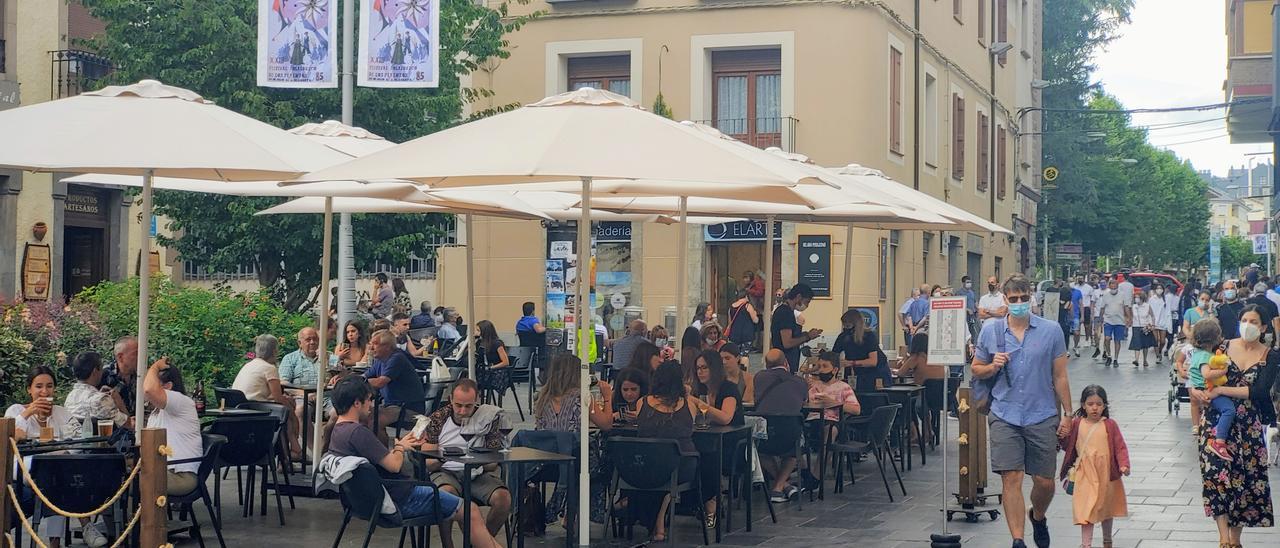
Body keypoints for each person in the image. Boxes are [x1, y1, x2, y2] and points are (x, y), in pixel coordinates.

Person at [324, 377, 500, 548]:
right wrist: (400, 448)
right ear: (357, 403)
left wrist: (402, 445)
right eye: (369, 400)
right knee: (470, 511)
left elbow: (383, 460)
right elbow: (394, 465)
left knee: (461, 507)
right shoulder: (358, 433)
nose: (371, 405)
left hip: (362, 504)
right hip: (401, 500)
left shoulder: (338, 433)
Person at [971, 275, 1073, 548]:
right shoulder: (991, 330)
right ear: (1004, 300)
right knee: (1011, 477)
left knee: (1044, 481)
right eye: (1013, 299)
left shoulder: (1051, 331)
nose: (1018, 303)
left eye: (1023, 298)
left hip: (1042, 414)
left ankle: (1037, 516)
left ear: (1030, 297)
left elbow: (1060, 376)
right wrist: (993, 366)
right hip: (1005, 413)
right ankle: (1018, 540)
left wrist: (1068, 414)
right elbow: (976, 368)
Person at [1188, 304, 1277, 548]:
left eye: (1254, 321)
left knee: (1245, 481)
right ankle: (1223, 538)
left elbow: (1258, 392)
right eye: (1245, 319)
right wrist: (1197, 392)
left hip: (1248, 425)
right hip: (1216, 423)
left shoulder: (1271, 355)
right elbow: (1196, 372)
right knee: (1216, 476)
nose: (1248, 324)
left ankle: (1235, 540)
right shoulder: (1222, 346)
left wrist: (1220, 390)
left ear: (1264, 327)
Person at [5, 366, 101, 548]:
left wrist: (62, 453)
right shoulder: (16, 410)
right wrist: (28, 413)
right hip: (24, 468)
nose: (44, 391)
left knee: (57, 475)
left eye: (49, 386)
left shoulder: (61, 413)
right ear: (29, 389)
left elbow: (79, 442)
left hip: (54, 470)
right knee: (56, 472)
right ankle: (83, 526)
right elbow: (14, 437)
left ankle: (57, 541)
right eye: (39, 386)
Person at [417, 379, 512, 538]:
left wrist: (473, 460)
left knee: (503, 499)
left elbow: (493, 463)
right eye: (458, 405)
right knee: (446, 496)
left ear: (477, 400)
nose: (462, 411)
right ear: (450, 400)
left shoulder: (488, 418)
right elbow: (429, 463)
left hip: (477, 472)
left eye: (468, 406)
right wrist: (448, 457)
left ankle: (481, 542)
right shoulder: (438, 418)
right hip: (446, 471)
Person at [632, 360, 716, 537]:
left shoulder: (642, 403)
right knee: (681, 464)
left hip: (645, 466)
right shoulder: (689, 404)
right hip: (682, 466)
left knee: (661, 466)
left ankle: (655, 520)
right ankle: (663, 520)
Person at [1058, 385, 1129, 548]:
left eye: (1098, 404)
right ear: (1083, 405)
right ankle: (1086, 544)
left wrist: (1124, 464)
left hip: (1106, 473)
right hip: (1085, 472)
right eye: (1090, 404)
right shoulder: (1076, 423)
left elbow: (1120, 447)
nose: (1095, 408)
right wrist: (1061, 437)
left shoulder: (1110, 425)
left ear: (1104, 405)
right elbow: (1068, 445)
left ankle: (1107, 540)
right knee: (1086, 509)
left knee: (1106, 508)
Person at [142, 358, 204, 497]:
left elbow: (149, 390)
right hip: (162, 469)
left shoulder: (181, 401)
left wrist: (155, 366)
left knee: (135, 480)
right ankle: (124, 519)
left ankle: (138, 519)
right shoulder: (157, 412)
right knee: (117, 475)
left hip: (182, 476)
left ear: (168, 386)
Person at [753, 349, 808, 503]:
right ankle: (780, 486)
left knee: (758, 450)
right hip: (789, 436)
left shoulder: (759, 377)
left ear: (766, 364)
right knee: (796, 445)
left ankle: (783, 485)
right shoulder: (800, 382)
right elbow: (803, 402)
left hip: (763, 435)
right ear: (786, 363)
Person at [362, 330, 427, 443]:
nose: (371, 347)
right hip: (392, 406)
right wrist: (347, 378)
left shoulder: (397, 358)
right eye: (371, 343)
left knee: (374, 422)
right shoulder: (379, 360)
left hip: (409, 408)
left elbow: (380, 382)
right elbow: (364, 376)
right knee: (362, 416)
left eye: (375, 344)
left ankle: (383, 457)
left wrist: (361, 381)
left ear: (387, 346)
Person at [1187, 318, 1236, 460]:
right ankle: (1219, 441)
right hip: (1208, 390)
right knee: (1228, 410)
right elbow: (1206, 374)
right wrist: (1223, 371)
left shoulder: (1197, 353)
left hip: (1202, 389)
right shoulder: (1204, 355)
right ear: (1215, 338)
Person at [806, 352, 861, 462]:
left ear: (835, 370)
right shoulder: (813, 387)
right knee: (794, 429)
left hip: (833, 421)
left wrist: (832, 402)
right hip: (812, 420)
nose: (821, 370)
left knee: (830, 431)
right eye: (819, 366)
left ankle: (818, 473)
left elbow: (856, 410)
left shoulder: (844, 387)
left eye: (825, 366)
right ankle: (803, 468)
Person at [65, 351, 132, 439]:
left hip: (75, 447)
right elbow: (129, 426)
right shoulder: (101, 400)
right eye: (101, 368)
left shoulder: (69, 398)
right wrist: (119, 402)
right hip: (102, 449)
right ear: (94, 371)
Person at [833, 308, 887, 391]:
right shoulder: (843, 337)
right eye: (844, 325)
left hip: (874, 376)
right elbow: (833, 355)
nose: (845, 328)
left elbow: (873, 361)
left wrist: (851, 363)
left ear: (856, 324)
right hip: (854, 375)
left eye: (848, 326)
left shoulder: (869, 336)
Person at [771, 283, 822, 372]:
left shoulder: (788, 312)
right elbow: (787, 343)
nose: (807, 305)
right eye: (806, 302)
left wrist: (807, 334)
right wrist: (808, 337)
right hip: (785, 363)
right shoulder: (785, 313)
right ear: (798, 297)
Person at [1094, 279, 1130, 368]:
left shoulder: (1122, 295)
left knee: (1117, 341)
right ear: (1109, 286)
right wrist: (1100, 318)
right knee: (1107, 338)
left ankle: (1116, 359)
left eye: (1115, 284)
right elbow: (1102, 308)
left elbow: (1126, 307)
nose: (1113, 286)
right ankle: (1109, 355)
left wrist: (1129, 318)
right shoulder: (1105, 295)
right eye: (1111, 285)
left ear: (1117, 286)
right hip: (1108, 320)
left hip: (1119, 321)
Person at [104, 336, 138, 418]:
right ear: (120, 357)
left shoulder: (140, 375)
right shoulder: (104, 375)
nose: (140, 357)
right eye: (136, 353)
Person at [475, 319, 511, 395]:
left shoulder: (497, 343)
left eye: (478, 330)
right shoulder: (479, 343)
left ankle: (477, 396)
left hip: (496, 372)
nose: (476, 333)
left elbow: (505, 362)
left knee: (476, 379)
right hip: (485, 370)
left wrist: (491, 367)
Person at [1128, 290, 1155, 368]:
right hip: (1136, 326)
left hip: (1145, 326)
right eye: (1135, 297)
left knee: (1145, 344)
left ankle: (1145, 360)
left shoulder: (1147, 306)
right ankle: (1136, 359)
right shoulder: (1134, 306)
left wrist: (1152, 324)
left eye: (1138, 297)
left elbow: (1152, 315)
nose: (1136, 299)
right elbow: (1131, 316)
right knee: (1137, 343)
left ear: (1142, 298)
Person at [1148, 285, 1172, 364]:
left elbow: (1168, 311)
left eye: (1161, 288)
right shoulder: (1152, 299)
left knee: (1162, 341)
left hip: (1163, 322)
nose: (1159, 290)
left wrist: (1168, 322)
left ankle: (1160, 350)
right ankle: (1158, 356)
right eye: (1158, 288)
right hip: (1154, 322)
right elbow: (1149, 310)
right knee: (1155, 340)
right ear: (1155, 290)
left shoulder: (1165, 299)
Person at [1072, 276, 1092, 355]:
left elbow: (1091, 298)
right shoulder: (1075, 287)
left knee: (1087, 325)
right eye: (1078, 278)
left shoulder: (1089, 288)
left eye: (1081, 278)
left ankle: (1087, 339)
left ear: (1084, 279)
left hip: (1086, 307)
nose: (1080, 280)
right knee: (1078, 325)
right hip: (1077, 308)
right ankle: (1078, 341)